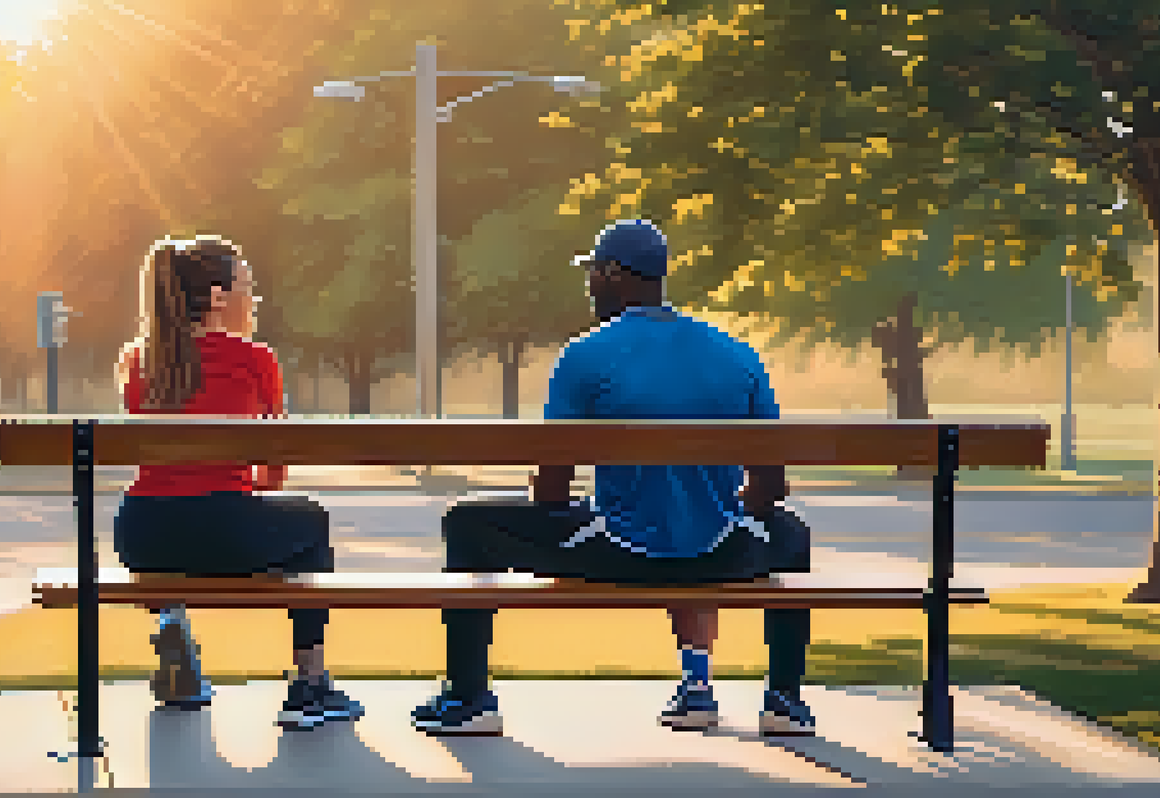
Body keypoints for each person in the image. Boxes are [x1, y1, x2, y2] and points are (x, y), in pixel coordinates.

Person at [411, 219, 815, 737]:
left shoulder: (585, 354)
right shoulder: (737, 353)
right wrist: (720, 511)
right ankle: (784, 701)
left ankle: (468, 699)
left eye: (593, 274)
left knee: (466, 524)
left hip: (619, 554)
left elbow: (553, 491)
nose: (589, 286)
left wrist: (581, 505)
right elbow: (771, 486)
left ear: (614, 275)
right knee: (791, 532)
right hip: (721, 554)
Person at [113, 234, 362, 730]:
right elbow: (274, 467)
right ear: (219, 297)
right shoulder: (253, 358)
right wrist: (254, 497)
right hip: (223, 526)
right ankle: (310, 684)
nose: (255, 299)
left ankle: (173, 623)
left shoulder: (139, 360)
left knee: (184, 531)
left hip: (143, 532)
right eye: (248, 287)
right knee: (310, 524)